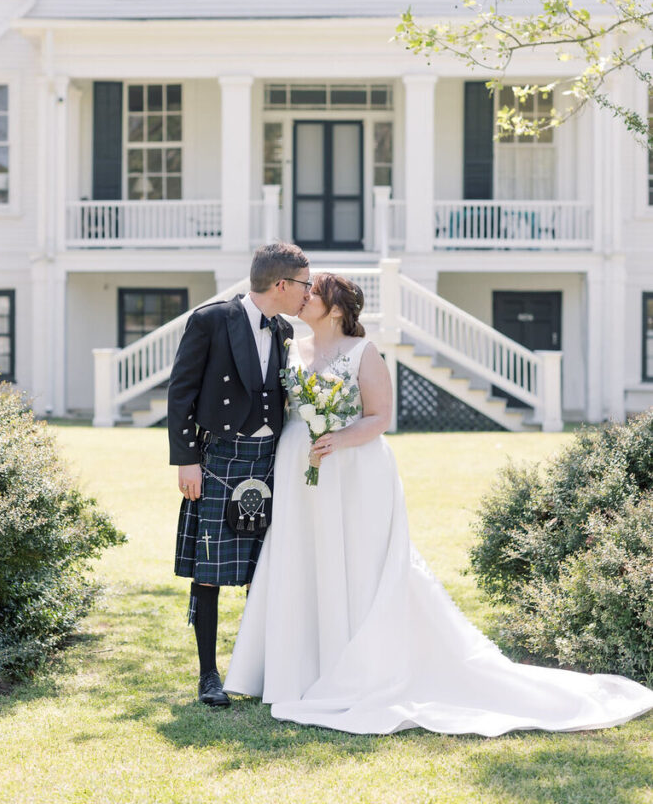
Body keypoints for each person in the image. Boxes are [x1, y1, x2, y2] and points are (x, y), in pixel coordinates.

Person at [224, 272, 653, 735]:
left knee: (357, 563)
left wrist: (341, 437)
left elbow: (381, 416)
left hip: (354, 471)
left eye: (313, 293)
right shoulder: (292, 348)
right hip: (299, 467)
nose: (303, 297)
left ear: (335, 308)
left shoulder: (363, 353)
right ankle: (300, 667)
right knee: (303, 559)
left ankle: (354, 661)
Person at [168, 242, 310, 708]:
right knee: (209, 570)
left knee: (262, 568)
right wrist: (187, 458)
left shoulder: (286, 328)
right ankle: (209, 675)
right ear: (281, 285)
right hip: (221, 458)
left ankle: (257, 668)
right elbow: (181, 391)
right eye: (304, 286)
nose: (308, 294)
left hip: (269, 460)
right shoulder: (212, 320)